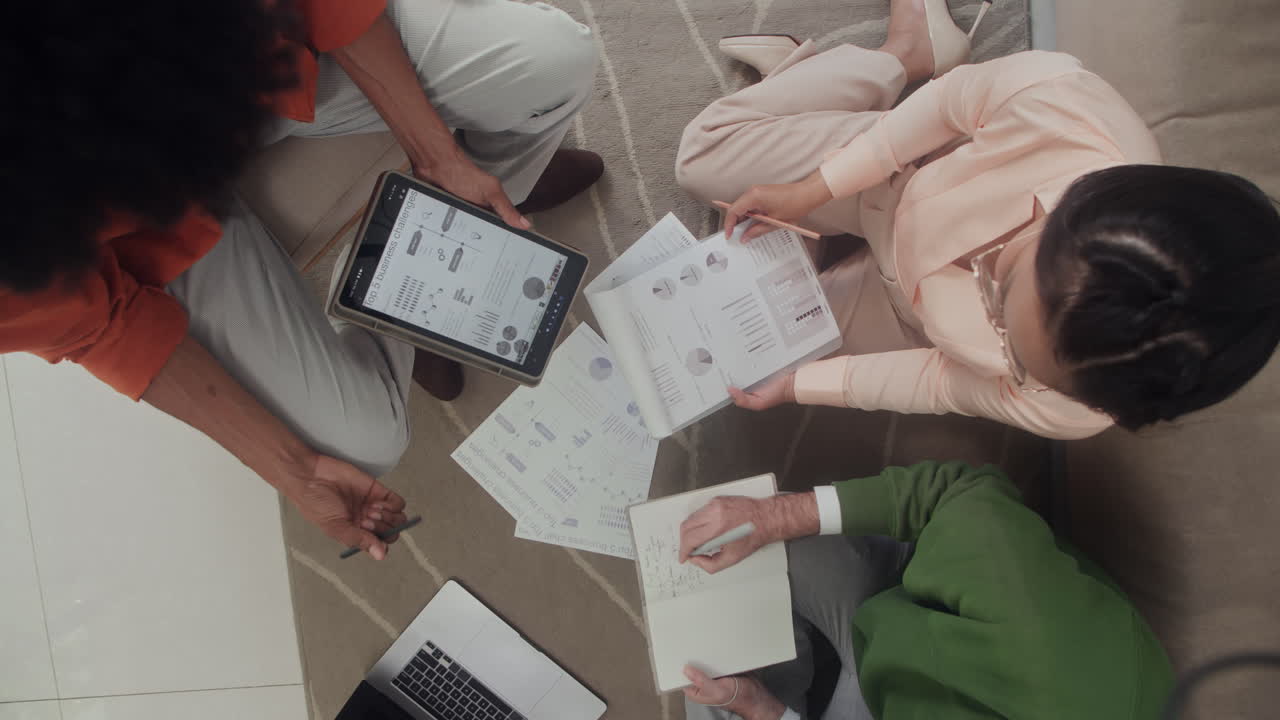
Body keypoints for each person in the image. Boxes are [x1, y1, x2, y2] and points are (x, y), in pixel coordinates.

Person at [1, 0, 601, 558]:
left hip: (239, 61)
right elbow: (101, 327)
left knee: (551, 66)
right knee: (367, 440)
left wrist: (437, 155)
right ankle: (402, 290)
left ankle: (485, 202)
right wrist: (294, 470)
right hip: (137, 229)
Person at [676, 0, 1280, 440]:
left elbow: (941, 382)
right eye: (1007, 273)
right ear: (1072, 201)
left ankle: (809, 92)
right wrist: (813, 189)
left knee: (754, 354)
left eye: (1013, 354)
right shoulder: (1066, 107)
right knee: (700, 156)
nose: (981, 296)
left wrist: (800, 386)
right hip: (897, 178)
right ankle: (906, 54)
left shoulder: (1076, 408)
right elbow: (945, 106)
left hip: (904, 316)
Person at [677, 461, 1175, 720]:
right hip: (915, 591)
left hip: (890, 692)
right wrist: (775, 517)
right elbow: (953, 491)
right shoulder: (1044, 643)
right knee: (738, 539)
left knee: (706, 680)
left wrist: (762, 706)